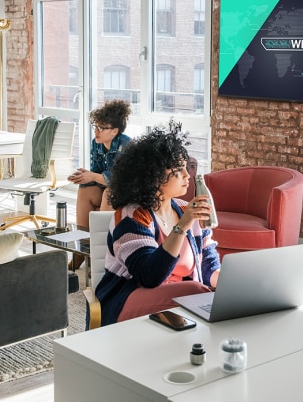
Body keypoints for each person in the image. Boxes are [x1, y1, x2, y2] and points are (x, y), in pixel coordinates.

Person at [94, 120, 221, 326]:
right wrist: (183, 226)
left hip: (179, 302)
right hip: (127, 299)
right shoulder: (131, 216)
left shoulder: (185, 210)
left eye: (186, 168)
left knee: (203, 295)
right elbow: (149, 276)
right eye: (178, 170)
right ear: (153, 175)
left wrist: (229, 283)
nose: (188, 175)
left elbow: (208, 267)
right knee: (196, 292)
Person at [68, 99, 131, 269]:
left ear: (114, 131)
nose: (96, 131)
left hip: (127, 190)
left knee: (108, 193)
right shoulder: (97, 145)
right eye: (95, 127)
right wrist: (84, 177)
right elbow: (96, 172)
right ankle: (82, 251)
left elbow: (118, 179)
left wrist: (93, 176)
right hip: (108, 187)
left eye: (101, 128)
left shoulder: (125, 145)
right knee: (85, 190)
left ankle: (102, 258)